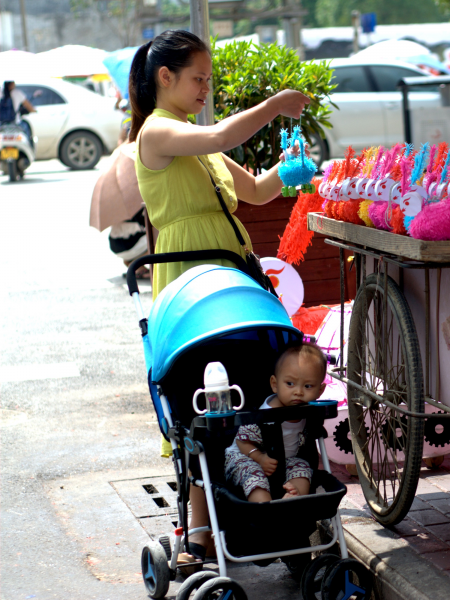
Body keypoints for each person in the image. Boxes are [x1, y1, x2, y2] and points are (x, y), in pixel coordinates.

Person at [127, 29, 311, 566]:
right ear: (166, 78)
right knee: (203, 408)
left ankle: (271, 511)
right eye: (198, 79)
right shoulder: (157, 133)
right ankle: (199, 535)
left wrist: (291, 171)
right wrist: (275, 105)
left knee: (254, 395)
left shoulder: (191, 137)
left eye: (208, 79)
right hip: (190, 281)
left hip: (235, 276)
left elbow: (254, 192)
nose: (206, 88)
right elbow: (219, 138)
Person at [224, 342, 328, 503]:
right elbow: (242, 440)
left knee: (303, 468)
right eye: (290, 384)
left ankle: (293, 496)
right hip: (246, 457)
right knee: (254, 476)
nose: (298, 392)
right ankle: (266, 509)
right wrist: (260, 458)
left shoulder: (307, 411)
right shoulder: (265, 413)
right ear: (275, 384)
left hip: (285, 459)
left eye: (308, 386)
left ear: (320, 391)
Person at [0, 81, 36, 146]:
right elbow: (30, 108)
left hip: (1, 125)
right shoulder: (17, 93)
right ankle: (29, 149)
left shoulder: (0, 93)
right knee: (27, 131)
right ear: (12, 84)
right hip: (16, 124)